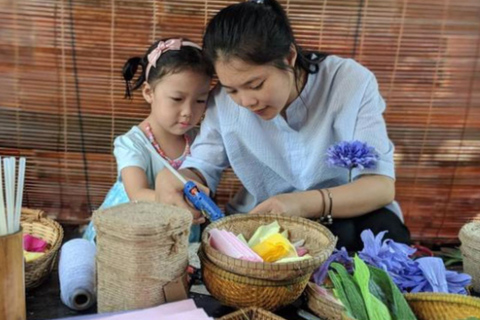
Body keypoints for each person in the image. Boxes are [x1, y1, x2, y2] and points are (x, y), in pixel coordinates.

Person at [155, 0, 411, 251]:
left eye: (255, 85)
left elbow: (380, 186)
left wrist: (301, 204)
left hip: (346, 213)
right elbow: (202, 167)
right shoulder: (222, 101)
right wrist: (179, 179)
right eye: (232, 89)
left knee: (379, 240)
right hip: (265, 223)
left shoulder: (349, 83)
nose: (245, 101)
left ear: (288, 57)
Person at [83, 37, 213, 243]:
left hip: (177, 232)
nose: (188, 112)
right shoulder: (133, 143)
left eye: (200, 100)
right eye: (177, 99)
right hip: (133, 228)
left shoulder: (200, 142)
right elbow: (136, 192)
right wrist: (175, 202)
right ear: (148, 92)